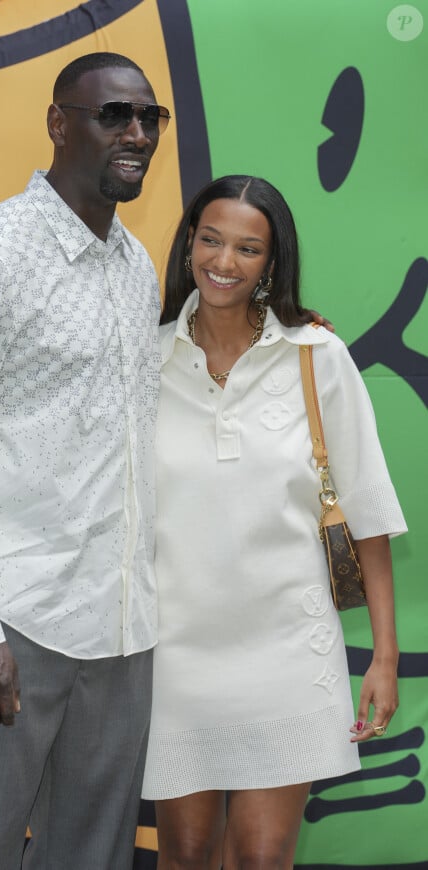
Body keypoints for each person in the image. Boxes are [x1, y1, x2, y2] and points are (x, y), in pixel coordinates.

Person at [0, 52, 172, 870]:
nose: (137, 132)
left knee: (92, 855)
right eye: (113, 114)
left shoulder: (133, 264)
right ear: (58, 123)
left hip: (119, 624)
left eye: (149, 117)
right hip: (7, 616)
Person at [141, 175, 407, 869]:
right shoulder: (144, 359)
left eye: (248, 248)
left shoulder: (318, 359)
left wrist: (384, 656)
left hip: (287, 652)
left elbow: (368, 515)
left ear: (273, 261)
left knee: (263, 855)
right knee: (189, 851)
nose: (224, 262)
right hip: (174, 654)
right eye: (211, 239)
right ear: (189, 243)